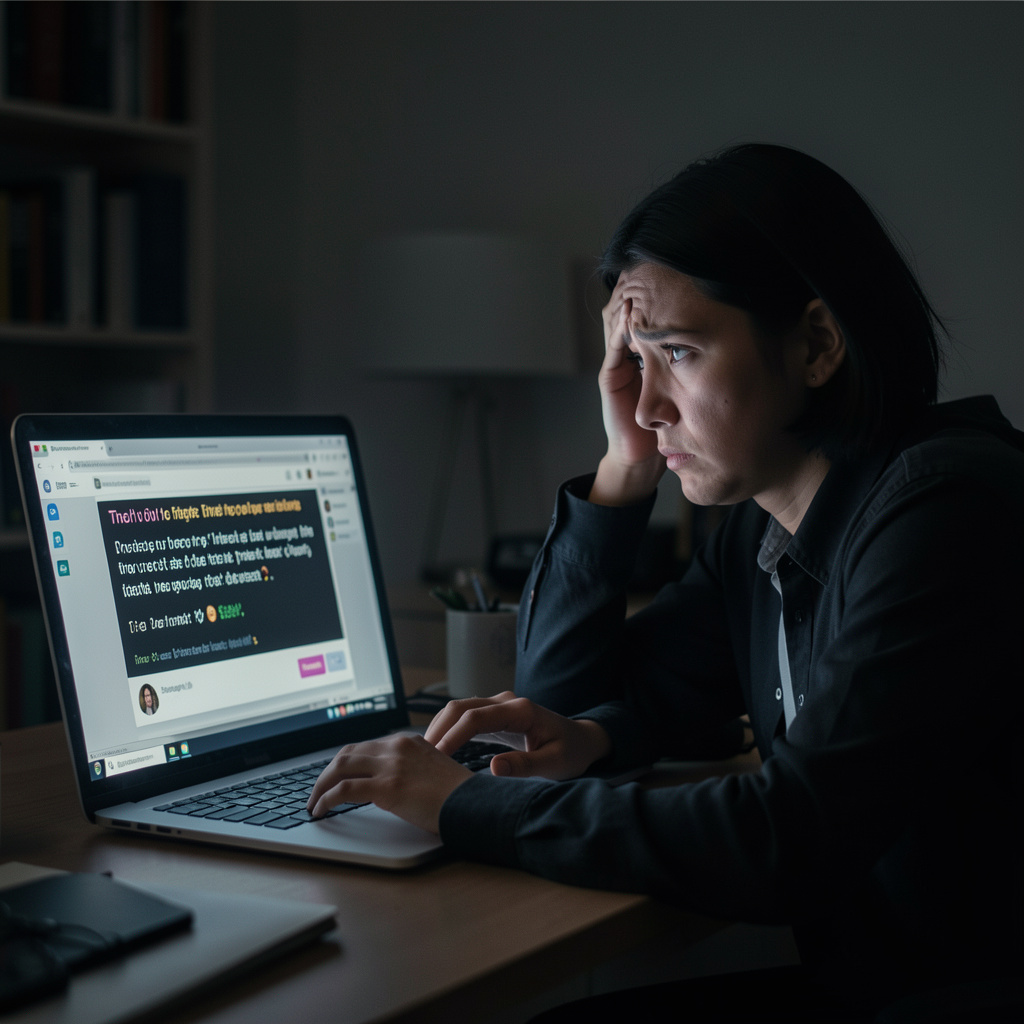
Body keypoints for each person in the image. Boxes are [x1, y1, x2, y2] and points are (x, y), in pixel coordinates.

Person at [309, 145, 1023, 1020]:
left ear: (817, 343)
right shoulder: (764, 529)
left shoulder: (948, 510)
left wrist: (465, 805)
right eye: (635, 362)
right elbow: (566, 700)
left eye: (679, 352)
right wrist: (624, 472)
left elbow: (789, 837)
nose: (647, 407)